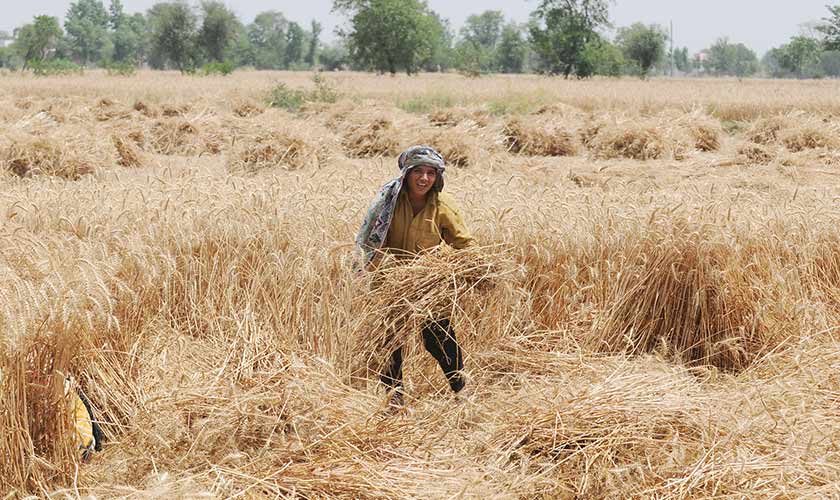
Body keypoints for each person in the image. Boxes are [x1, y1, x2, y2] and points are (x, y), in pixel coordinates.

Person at [356, 145, 476, 406]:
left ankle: (462, 393)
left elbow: (464, 244)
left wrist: (473, 269)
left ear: (437, 176)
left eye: (431, 173)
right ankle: (394, 400)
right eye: (418, 171)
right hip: (390, 282)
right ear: (406, 173)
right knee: (389, 341)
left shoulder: (443, 205)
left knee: (438, 338)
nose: (424, 178)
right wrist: (366, 273)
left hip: (427, 284)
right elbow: (369, 242)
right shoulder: (388, 202)